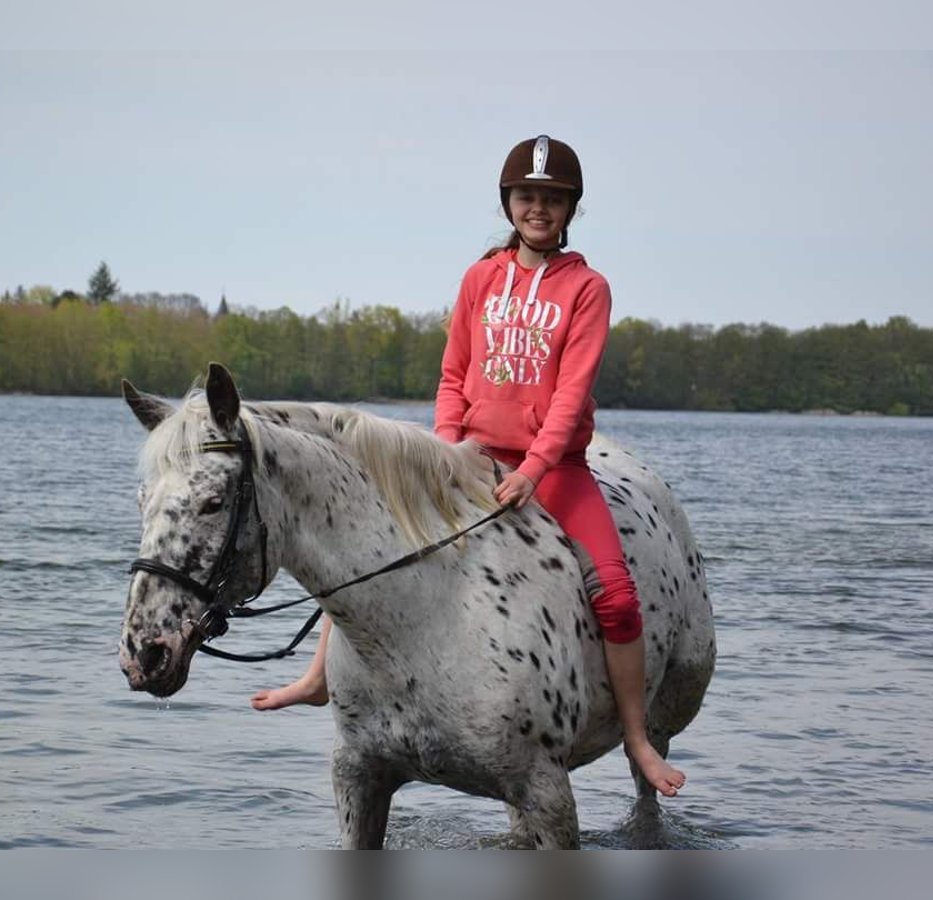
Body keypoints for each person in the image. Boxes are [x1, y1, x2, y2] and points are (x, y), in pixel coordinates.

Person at [251, 135, 686, 797]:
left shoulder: (587, 289)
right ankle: (318, 680)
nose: (538, 208)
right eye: (527, 196)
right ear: (509, 203)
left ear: (570, 209)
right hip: (469, 456)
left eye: (552, 198)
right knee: (371, 546)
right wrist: (444, 453)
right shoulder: (480, 278)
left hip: (556, 469)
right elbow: (454, 373)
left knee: (618, 596)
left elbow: (571, 395)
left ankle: (636, 738)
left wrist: (535, 469)